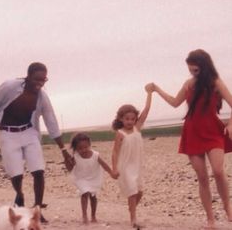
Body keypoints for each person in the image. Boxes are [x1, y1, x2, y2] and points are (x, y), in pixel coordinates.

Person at [146, 49, 232, 228]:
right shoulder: (188, 84)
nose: (193, 73)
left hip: (213, 131)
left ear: (204, 66)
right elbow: (174, 102)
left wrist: (230, 124)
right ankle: (210, 218)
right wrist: (156, 89)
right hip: (192, 133)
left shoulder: (215, 82)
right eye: (190, 70)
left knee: (217, 170)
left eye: (196, 70)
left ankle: (227, 207)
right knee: (202, 177)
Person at [0, 62, 71, 223]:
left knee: (38, 171)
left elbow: (51, 121)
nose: (40, 83)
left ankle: (37, 209)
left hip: (29, 132)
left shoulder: (42, 97)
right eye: (37, 79)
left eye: (44, 80)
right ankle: (20, 196)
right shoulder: (9, 87)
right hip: (8, 133)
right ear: (28, 76)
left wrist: (64, 150)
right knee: (16, 173)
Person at [111, 87, 152, 229]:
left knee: (140, 192)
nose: (130, 121)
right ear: (121, 119)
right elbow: (115, 152)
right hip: (126, 166)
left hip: (138, 165)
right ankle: (133, 219)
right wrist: (114, 169)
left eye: (132, 119)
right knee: (132, 190)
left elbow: (146, 111)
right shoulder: (120, 133)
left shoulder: (137, 128)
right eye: (127, 119)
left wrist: (149, 94)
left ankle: (131, 209)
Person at [67, 133, 117, 224]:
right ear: (76, 149)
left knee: (93, 197)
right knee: (85, 193)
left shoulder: (95, 155)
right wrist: (69, 162)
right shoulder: (76, 157)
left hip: (93, 177)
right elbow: (70, 169)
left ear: (89, 145)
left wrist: (111, 173)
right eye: (80, 148)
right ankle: (84, 215)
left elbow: (104, 165)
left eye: (86, 147)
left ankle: (93, 215)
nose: (83, 150)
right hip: (81, 178)